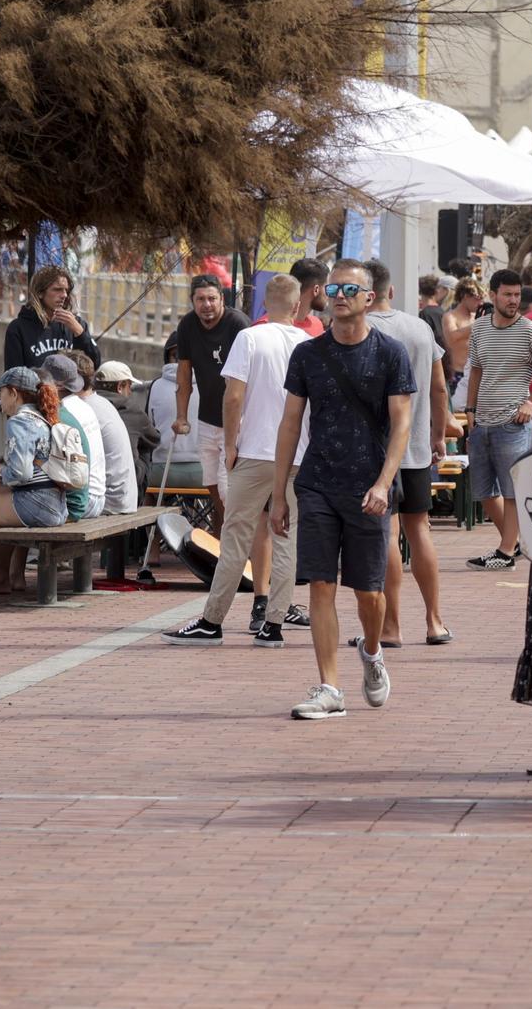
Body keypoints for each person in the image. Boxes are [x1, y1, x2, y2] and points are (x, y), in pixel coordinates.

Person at [271, 260, 415, 719]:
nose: (338, 296)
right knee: (320, 583)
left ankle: (372, 653)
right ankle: (329, 687)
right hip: (317, 483)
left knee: (369, 594)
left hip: (369, 487)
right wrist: (281, 493)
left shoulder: (390, 353)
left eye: (349, 289)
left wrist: (384, 482)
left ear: (369, 298)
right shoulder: (307, 355)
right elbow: (290, 423)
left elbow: (402, 424)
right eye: (332, 288)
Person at [163, 274, 309, 647]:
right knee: (286, 539)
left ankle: (213, 621)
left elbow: (233, 396)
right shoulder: (309, 344)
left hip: (254, 451)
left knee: (235, 537)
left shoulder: (250, 337)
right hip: (296, 456)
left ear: (263, 304)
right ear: (296, 306)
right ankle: (273, 623)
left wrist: (230, 443)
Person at [363, 259, 453, 646]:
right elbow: (439, 388)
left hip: (378, 450)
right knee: (420, 530)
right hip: (416, 445)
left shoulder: (359, 330)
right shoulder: (419, 327)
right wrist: (437, 434)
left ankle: (391, 627)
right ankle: (435, 621)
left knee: (387, 533)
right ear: (392, 291)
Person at [460, 269, 532, 571]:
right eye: (508, 294)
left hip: (513, 422)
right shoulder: (480, 328)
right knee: (484, 492)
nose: (514, 300)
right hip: (481, 421)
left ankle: (504, 551)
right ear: (493, 294)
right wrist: (470, 411)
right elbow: (475, 369)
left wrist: (531, 401)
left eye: (517, 295)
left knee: (512, 491)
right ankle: (513, 544)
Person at [0, 369, 70, 591]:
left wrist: (0, 471)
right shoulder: (42, 417)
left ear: (13, 393)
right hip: (55, 502)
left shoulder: (19, 421)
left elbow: (21, 474)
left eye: (0, 391)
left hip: (38, 503)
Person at [173, 273, 251, 528]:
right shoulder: (187, 325)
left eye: (212, 298)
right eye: (200, 299)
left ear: (221, 299)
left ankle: (236, 534)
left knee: (228, 484)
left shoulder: (237, 324)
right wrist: (181, 416)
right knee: (211, 481)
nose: (206, 305)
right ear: (192, 301)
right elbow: (184, 373)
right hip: (206, 417)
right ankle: (227, 531)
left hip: (237, 418)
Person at [39, 353, 106, 520]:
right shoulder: (84, 406)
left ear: (57, 385)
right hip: (99, 495)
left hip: (83, 500)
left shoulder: (61, 412)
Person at [3, 264, 101, 370]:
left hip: (71, 387)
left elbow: (95, 364)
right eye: (57, 289)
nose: (64, 295)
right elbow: (13, 375)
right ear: (40, 293)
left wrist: (80, 333)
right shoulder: (18, 328)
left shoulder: (77, 324)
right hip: (36, 386)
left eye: (66, 290)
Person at [78, 354, 138, 515]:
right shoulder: (102, 404)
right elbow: (154, 438)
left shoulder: (81, 408)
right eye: (129, 386)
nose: (131, 391)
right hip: (124, 498)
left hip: (107, 502)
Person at [142, 338, 203, 492]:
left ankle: (150, 513)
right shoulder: (208, 384)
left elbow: (149, 428)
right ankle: (218, 516)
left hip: (162, 471)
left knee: (148, 487)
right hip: (203, 471)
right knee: (220, 494)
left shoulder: (156, 386)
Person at [441, 278, 483, 406]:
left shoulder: (477, 318)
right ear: (465, 297)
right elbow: (452, 337)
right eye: (477, 298)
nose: (480, 302)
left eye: (482, 299)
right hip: (456, 375)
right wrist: (477, 325)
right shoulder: (450, 316)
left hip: (475, 374)